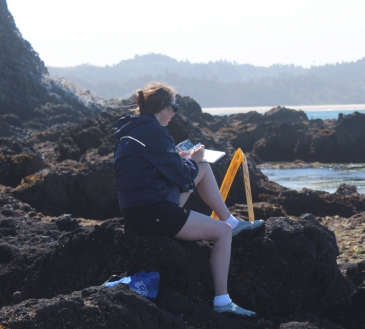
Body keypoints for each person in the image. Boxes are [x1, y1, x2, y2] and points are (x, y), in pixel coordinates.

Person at [113, 82, 263, 316]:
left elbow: (163, 170)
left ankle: (231, 221)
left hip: (137, 210)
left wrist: (185, 158)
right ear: (162, 107)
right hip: (154, 213)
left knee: (201, 167)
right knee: (221, 232)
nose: (174, 113)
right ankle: (223, 301)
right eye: (175, 107)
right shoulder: (154, 132)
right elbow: (182, 174)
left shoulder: (133, 129)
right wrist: (192, 158)